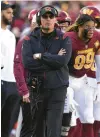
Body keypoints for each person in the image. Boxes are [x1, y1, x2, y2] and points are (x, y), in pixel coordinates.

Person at [22, 5, 71, 137]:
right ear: (39, 19)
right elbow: (28, 63)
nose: (48, 19)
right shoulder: (29, 39)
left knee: (54, 130)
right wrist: (53, 59)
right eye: (45, 16)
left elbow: (62, 61)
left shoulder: (64, 38)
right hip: (37, 89)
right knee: (37, 129)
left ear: (55, 19)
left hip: (57, 89)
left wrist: (40, 56)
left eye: (51, 17)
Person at [64, 14, 100, 137]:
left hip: (83, 80)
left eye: (93, 27)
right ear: (78, 27)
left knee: (88, 117)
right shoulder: (69, 39)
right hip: (68, 78)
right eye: (87, 26)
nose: (91, 30)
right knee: (70, 118)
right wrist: (64, 86)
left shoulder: (97, 37)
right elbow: (61, 65)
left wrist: (99, 84)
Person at [14, 9, 38, 137]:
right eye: (35, 22)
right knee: (27, 124)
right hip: (29, 87)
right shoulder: (26, 39)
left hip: (44, 89)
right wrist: (24, 90)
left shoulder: (51, 39)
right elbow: (18, 67)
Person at [1, 1, 20, 137]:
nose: (11, 15)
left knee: (7, 123)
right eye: (8, 12)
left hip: (11, 82)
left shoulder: (11, 35)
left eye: (12, 13)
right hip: (1, 80)